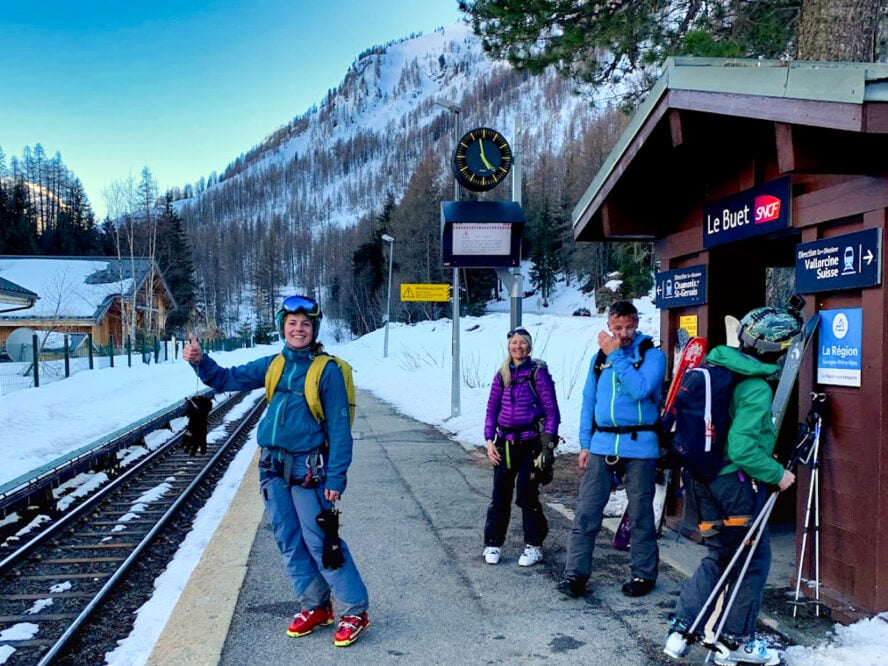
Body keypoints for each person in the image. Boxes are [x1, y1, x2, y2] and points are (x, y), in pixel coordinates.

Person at [182, 294, 370, 648]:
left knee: (322, 543)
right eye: (291, 324)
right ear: (283, 327)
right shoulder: (275, 364)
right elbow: (224, 380)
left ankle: (355, 610)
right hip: (271, 466)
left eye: (305, 324)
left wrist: (336, 477)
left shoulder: (326, 371)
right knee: (288, 539)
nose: (298, 329)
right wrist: (199, 361)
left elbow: (340, 430)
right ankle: (316, 606)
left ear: (314, 330)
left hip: (308, 470)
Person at [663, 306, 801, 666]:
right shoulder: (754, 386)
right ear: (776, 350)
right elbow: (742, 448)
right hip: (731, 485)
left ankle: (680, 630)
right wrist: (777, 474)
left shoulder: (714, 366)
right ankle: (735, 640)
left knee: (719, 554)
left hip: (699, 480)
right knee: (754, 560)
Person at [558, 300, 667, 598]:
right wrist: (584, 443)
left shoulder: (652, 355)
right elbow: (589, 402)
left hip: (640, 444)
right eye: (617, 328)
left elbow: (641, 389)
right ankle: (575, 574)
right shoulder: (599, 359)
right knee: (587, 511)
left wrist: (617, 356)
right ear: (609, 326)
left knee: (641, 514)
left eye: (629, 327)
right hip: (603, 443)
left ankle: (644, 574)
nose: (623, 333)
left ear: (637, 323)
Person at [482, 326, 561, 567]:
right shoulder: (502, 374)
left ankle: (534, 545)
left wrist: (548, 445)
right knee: (500, 494)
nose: (519, 347)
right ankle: (493, 542)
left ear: (530, 346)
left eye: (523, 343)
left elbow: (551, 411)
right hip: (504, 442)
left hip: (531, 443)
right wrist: (488, 441)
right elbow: (491, 410)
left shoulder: (538, 374)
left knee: (527, 494)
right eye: (514, 343)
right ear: (508, 346)